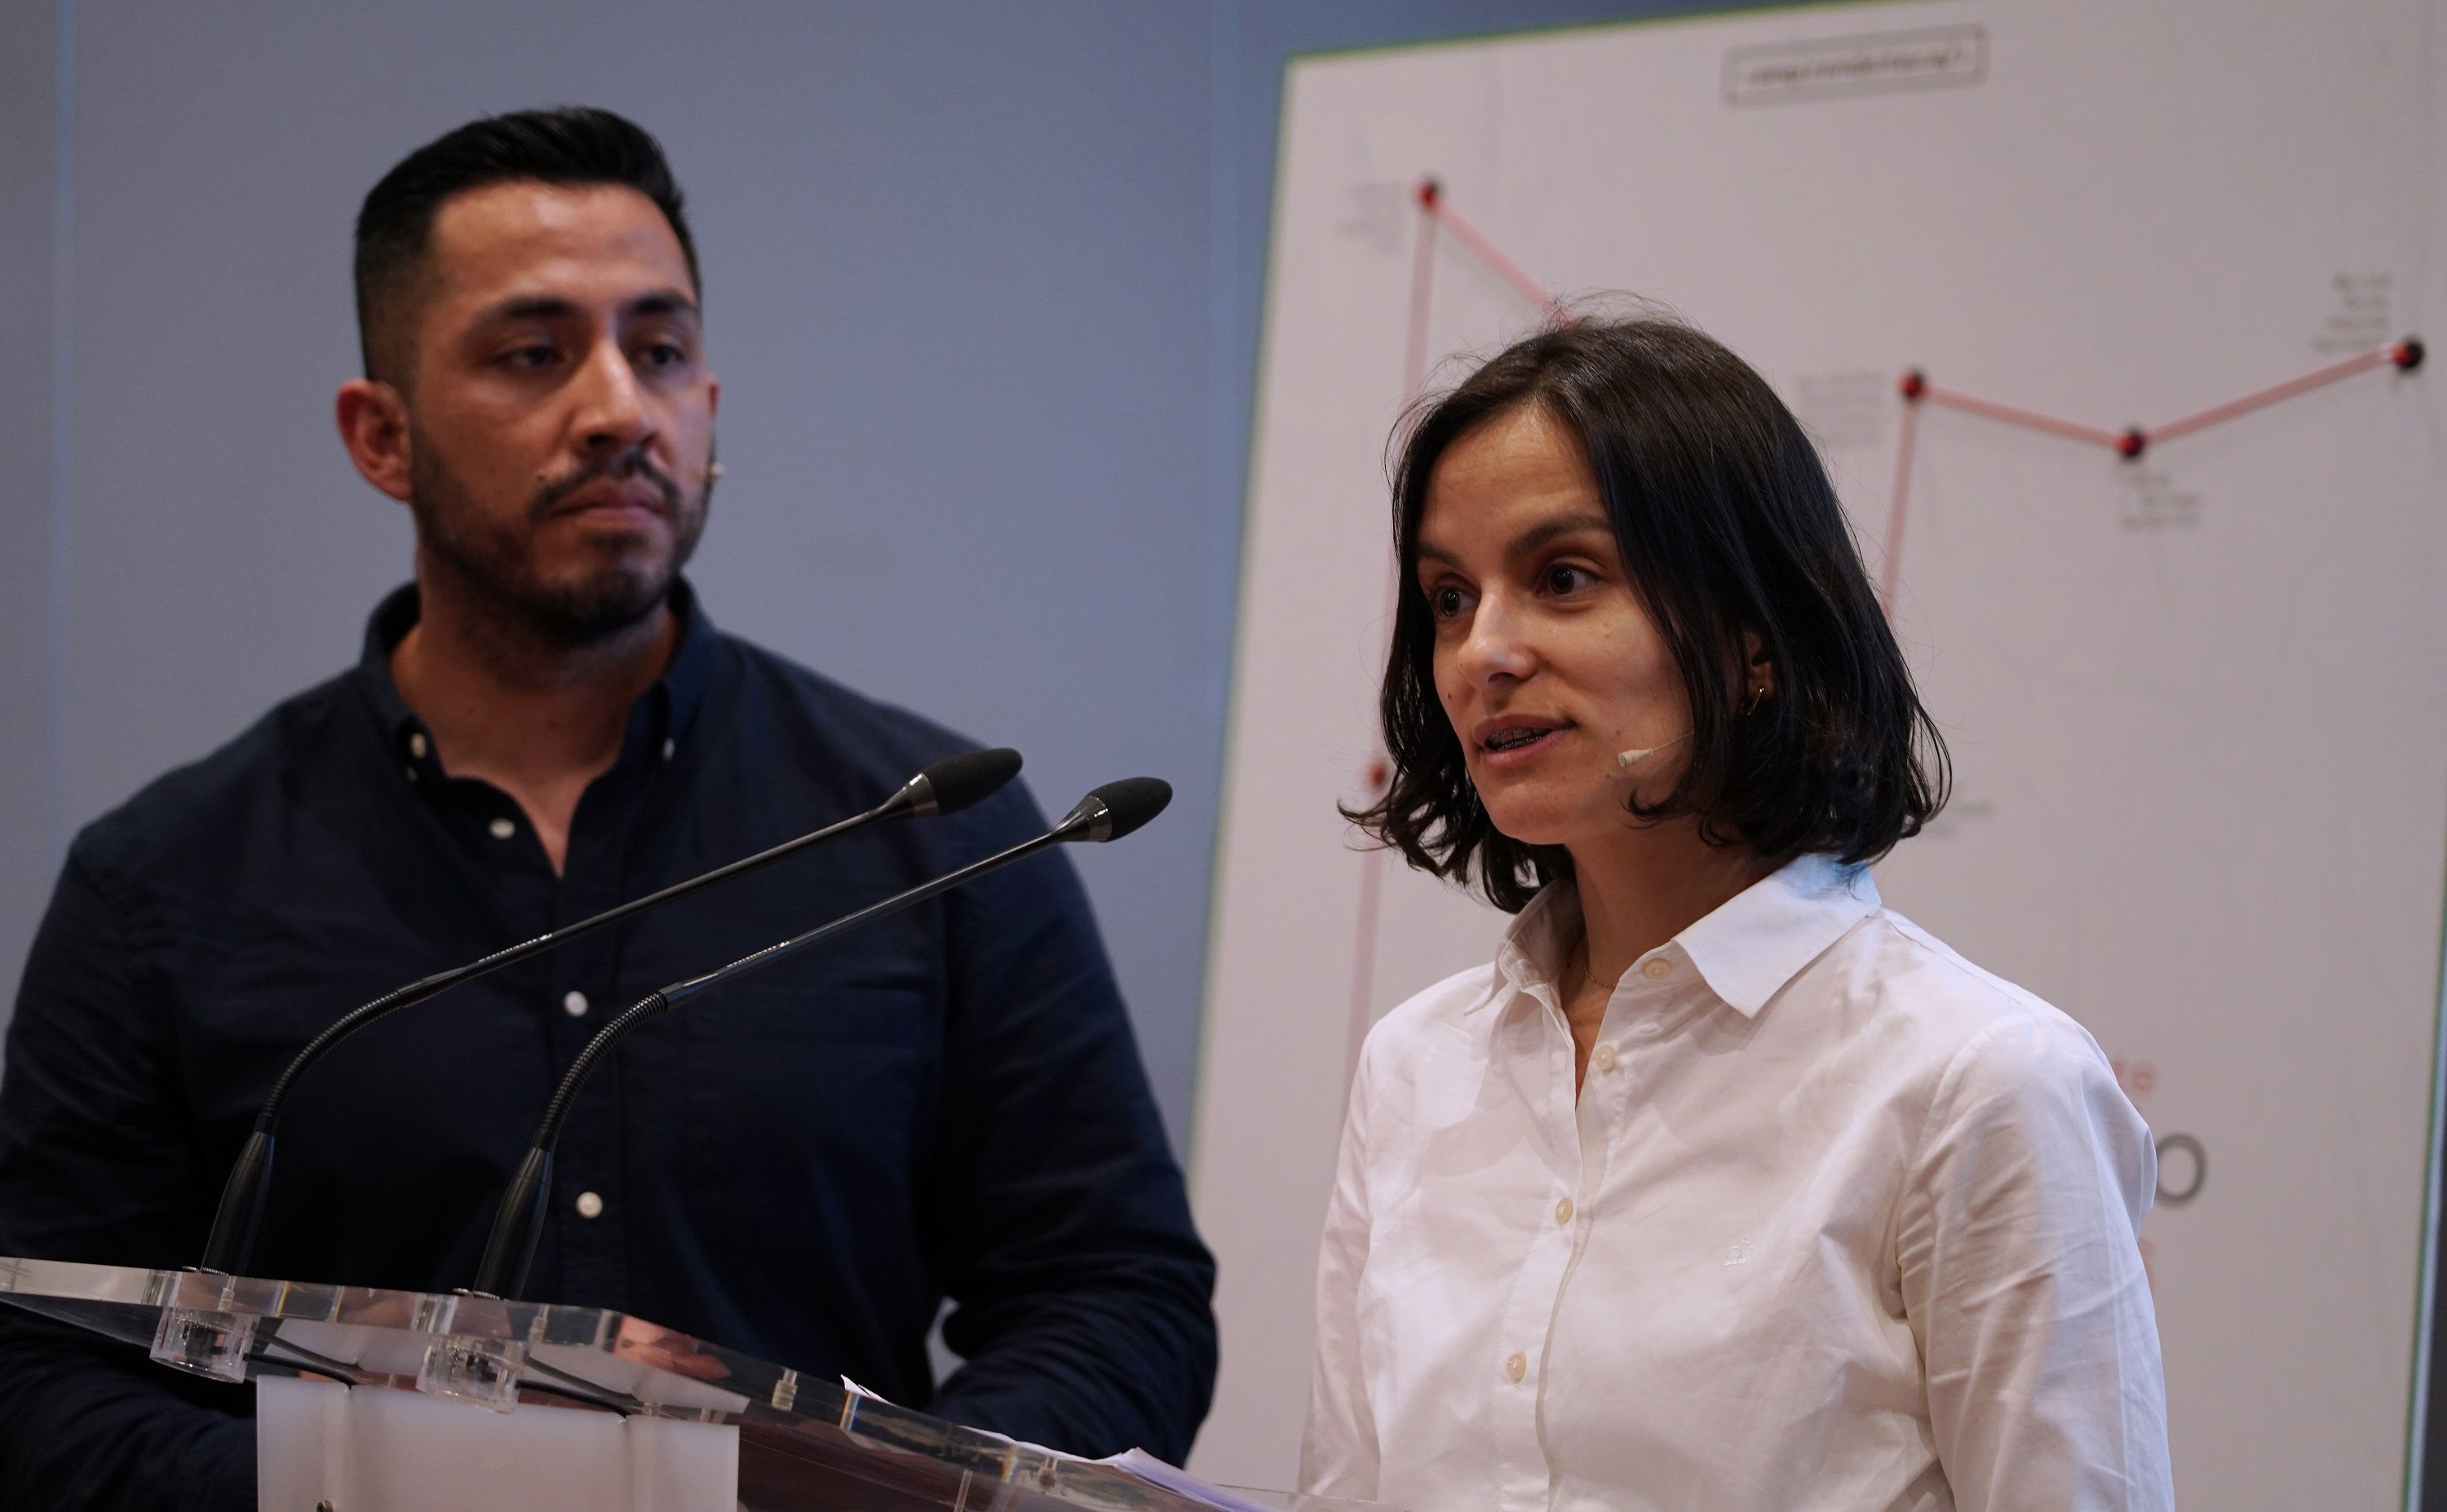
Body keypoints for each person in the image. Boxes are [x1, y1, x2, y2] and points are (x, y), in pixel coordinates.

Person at [0, 107, 1215, 1510]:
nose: (619, 410)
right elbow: (38, 1367)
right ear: (382, 435)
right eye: (534, 353)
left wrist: (891, 1499)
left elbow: (1114, 1293)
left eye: (661, 351)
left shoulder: (934, 832)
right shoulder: (168, 882)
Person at [1299, 316, 2171, 1510]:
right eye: (1450, 598)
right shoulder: (1415, 1067)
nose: (1481, 653)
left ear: (1754, 638)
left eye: (1564, 579)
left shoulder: (1981, 1083)